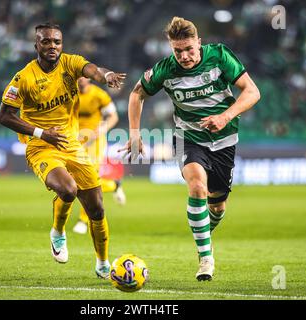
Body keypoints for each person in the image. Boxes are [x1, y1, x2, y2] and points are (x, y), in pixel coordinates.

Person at [121, 17, 260, 281]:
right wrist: (135, 132)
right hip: (189, 138)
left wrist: (225, 117)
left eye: (189, 49)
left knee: (217, 206)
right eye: (177, 51)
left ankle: (204, 231)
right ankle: (205, 258)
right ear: (170, 48)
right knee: (197, 186)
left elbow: (252, 92)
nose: (184, 56)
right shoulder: (165, 70)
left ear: (199, 42)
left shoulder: (219, 56)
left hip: (225, 140)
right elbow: (137, 93)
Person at [0, 23, 126, 279]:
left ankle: (102, 262)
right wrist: (41, 133)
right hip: (41, 146)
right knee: (68, 189)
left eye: (57, 41)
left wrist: (106, 74)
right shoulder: (24, 78)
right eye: (46, 42)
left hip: (71, 143)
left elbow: (92, 70)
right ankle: (58, 232)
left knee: (97, 209)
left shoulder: (70, 63)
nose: (52, 46)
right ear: (36, 45)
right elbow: (4, 116)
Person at [72, 77, 126, 235]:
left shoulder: (99, 95)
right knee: (75, 181)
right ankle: (114, 185)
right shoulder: (70, 93)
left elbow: (113, 116)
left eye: (83, 79)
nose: (80, 82)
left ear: (88, 79)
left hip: (95, 141)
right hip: (76, 140)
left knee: (88, 179)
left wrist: (104, 128)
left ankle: (83, 220)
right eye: (77, 79)